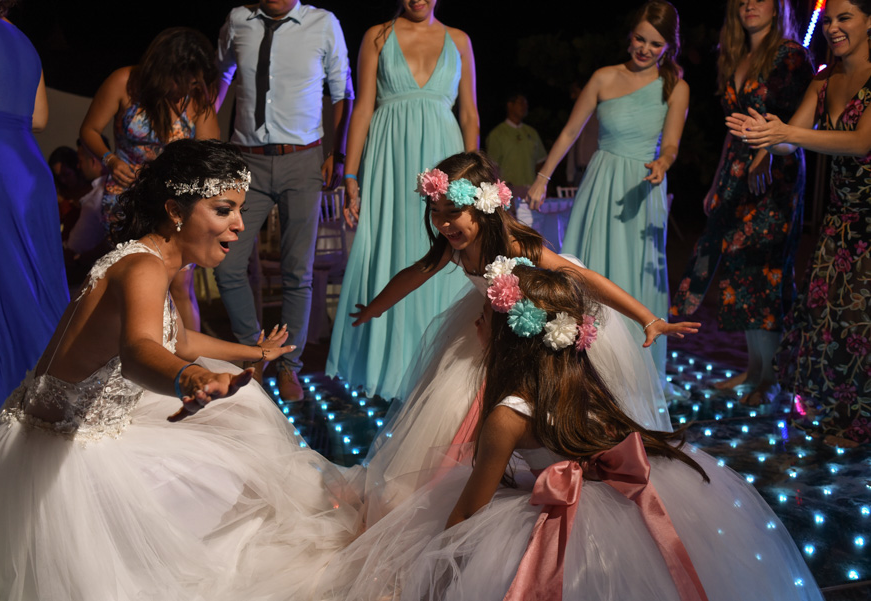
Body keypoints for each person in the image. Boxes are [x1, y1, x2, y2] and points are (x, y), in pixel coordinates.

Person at [0, 139, 362, 600]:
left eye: (239, 210)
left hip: (71, 428)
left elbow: (176, 340)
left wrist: (253, 354)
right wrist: (189, 377)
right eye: (224, 210)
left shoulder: (158, 259)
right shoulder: (142, 267)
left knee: (242, 442)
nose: (239, 224)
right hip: (62, 453)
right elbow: (139, 349)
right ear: (177, 210)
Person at [318, 263, 822, 601]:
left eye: (484, 318)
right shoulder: (579, 380)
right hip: (628, 499)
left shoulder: (508, 413)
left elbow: (471, 506)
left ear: (510, 335)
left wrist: (434, 567)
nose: (474, 325)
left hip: (576, 512)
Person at [353, 150, 699, 525]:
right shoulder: (453, 246)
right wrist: (375, 307)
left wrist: (647, 318)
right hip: (495, 318)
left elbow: (585, 280)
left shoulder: (515, 245)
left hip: (538, 319)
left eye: (452, 213)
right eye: (435, 213)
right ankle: (453, 484)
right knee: (455, 403)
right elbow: (416, 271)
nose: (443, 224)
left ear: (482, 206)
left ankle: (556, 459)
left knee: (538, 401)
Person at [527, 0, 689, 396]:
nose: (644, 49)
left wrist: (663, 164)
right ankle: (584, 364)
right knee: (587, 272)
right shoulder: (603, 78)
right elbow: (568, 132)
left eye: (655, 44)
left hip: (641, 189)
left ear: (668, 47)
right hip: (600, 186)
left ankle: (638, 373)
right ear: (629, 35)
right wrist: (542, 178)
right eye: (639, 38)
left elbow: (670, 145)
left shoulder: (675, 87)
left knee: (633, 275)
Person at [727, 0, 871, 446]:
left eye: (844, 18)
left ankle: (861, 424)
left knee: (861, 318)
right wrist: (769, 136)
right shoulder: (824, 78)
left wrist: (789, 134)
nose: (832, 27)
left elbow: (861, 142)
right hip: (840, 216)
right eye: (828, 20)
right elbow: (793, 139)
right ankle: (842, 417)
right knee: (830, 318)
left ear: (870, 20)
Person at [326, 0, 476, 399]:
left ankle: (440, 366)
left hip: (445, 155)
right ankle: (389, 369)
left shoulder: (459, 40)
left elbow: (470, 115)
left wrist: (472, 175)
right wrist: (351, 173)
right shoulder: (378, 36)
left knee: (442, 249)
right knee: (394, 247)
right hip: (390, 157)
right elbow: (363, 108)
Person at [670, 0, 812, 406]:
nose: (751, 4)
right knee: (742, 271)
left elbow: (801, 120)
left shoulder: (789, 55)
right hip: (738, 170)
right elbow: (735, 131)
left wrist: (765, 152)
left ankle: (773, 379)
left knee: (765, 272)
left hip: (775, 172)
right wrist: (717, 180)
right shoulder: (736, 54)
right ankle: (754, 371)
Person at [215, 0, 353, 401]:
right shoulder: (238, 20)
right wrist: (204, 131)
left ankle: (290, 366)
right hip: (246, 161)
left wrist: (336, 153)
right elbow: (220, 75)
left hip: (303, 160)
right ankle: (254, 354)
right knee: (227, 264)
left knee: (298, 272)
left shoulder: (323, 23)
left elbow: (342, 92)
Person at [79, 26, 220, 334]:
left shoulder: (197, 100)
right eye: (182, 79)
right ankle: (133, 356)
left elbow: (211, 155)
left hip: (175, 203)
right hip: (125, 197)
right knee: (132, 280)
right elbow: (88, 130)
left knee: (180, 283)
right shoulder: (124, 82)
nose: (187, 87)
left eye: (194, 81)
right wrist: (110, 159)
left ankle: (188, 361)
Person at [0, 0, 69, 442]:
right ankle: (45, 402)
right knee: (28, 287)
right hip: (27, 169)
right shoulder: (23, 40)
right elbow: (40, 118)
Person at [485, 92, 546, 226]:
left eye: (526, 103)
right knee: (513, 228)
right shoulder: (497, 134)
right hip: (509, 191)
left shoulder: (531, 132)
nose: (525, 106)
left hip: (531, 190)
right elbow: (492, 167)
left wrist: (541, 184)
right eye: (520, 102)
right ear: (510, 105)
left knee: (534, 228)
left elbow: (541, 162)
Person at [65, 136, 112, 289]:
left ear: (92, 161)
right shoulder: (95, 192)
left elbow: (109, 241)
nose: (79, 166)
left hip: (85, 270)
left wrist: (78, 258)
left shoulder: (100, 195)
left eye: (80, 160)